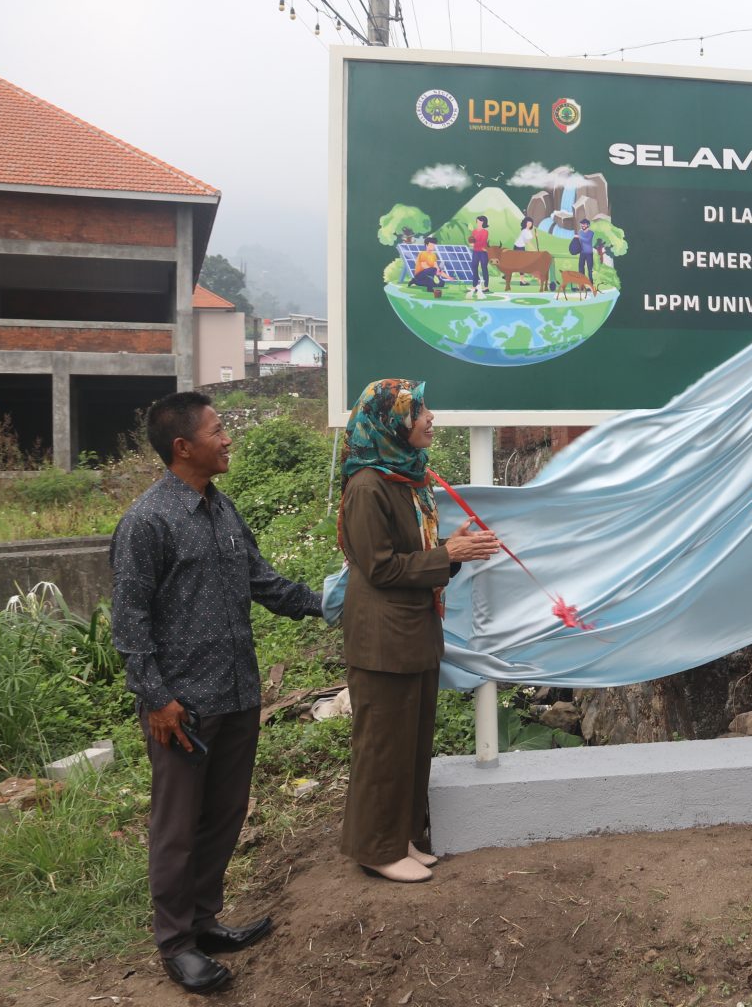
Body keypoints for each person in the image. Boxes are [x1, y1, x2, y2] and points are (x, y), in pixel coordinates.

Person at [110, 391, 323, 994]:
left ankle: (204, 921)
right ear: (184, 446)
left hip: (237, 695)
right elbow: (129, 623)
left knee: (225, 815)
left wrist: (332, 602)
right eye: (219, 430)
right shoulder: (148, 521)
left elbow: (264, 582)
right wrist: (156, 698)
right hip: (183, 708)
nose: (229, 438)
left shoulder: (223, 510)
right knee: (177, 827)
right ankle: (176, 943)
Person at [337, 379, 500, 883]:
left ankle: (401, 837)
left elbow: (414, 558)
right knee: (383, 745)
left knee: (410, 742)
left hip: (411, 633)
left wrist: (450, 552)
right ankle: (376, 849)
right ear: (391, 422)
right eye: (420, 411)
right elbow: (380, 568)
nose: (430, 418)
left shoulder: (404, 479)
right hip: (382, 640)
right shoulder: (367, 486)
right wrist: (446, 555)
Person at [470, 215, 491, 292]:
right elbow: (471, 240)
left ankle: (486, 287)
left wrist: (474, 244)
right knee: (474, 267)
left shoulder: (485, 232)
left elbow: (483, 242)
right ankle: (474, 286)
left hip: (483, 252)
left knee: (484, 268)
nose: (478, 222)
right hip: (475, 252)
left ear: (483, 222)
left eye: (480, 221)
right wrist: (472, 242)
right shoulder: (474, 231)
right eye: (478, 221)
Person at [576, 218, 596, 283]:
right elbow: (579, 242)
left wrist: (579, 237)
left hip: (589, 253)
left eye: (584, 224)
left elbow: (587, 240)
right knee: (581, 269)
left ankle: (591, 284)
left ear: (588, 225)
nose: (582, 225)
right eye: (581, 224)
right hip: (582, 253)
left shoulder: (591, 233)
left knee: (590, 269)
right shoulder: (580, 232)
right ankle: (582, 284)